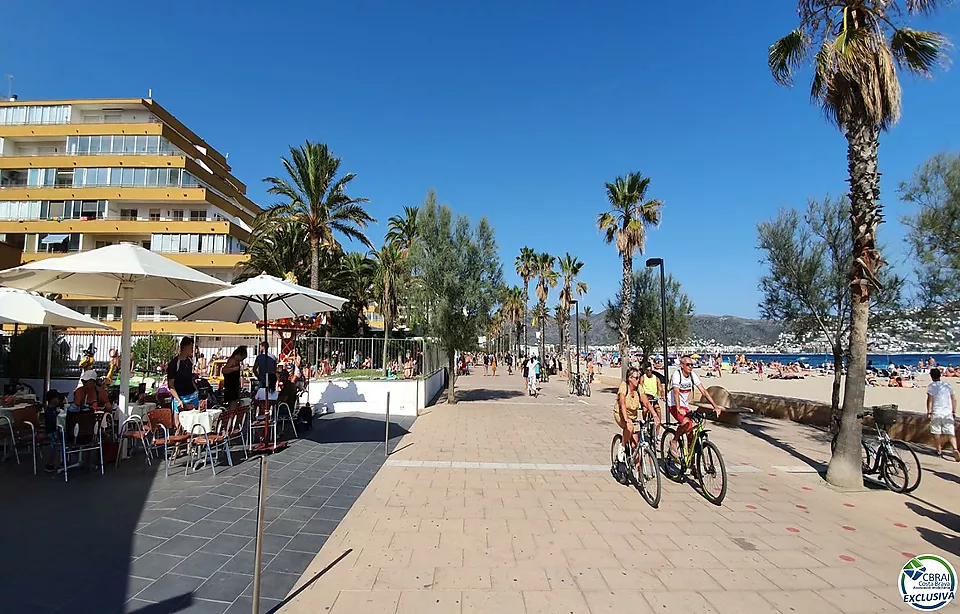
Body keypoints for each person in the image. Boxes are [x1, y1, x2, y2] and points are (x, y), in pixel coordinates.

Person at [668, 355, 722, 453]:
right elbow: (676, 392)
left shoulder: (692, 375)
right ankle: (674, 441)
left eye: (692, 365)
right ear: (681, 365)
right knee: (686, 422)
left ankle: (691, 464)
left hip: (685, 405)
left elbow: (704, 391)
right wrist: (679, 408)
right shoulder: (677, 375)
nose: (690, 367)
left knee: (690, 434)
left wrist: (715, 406)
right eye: (688, 365)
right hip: (674, 404)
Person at [614, 367, 656, 461]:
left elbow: (646, 402)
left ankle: (638, 472)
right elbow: (622, 404)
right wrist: (626, 419)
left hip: (633, 416)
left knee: (635, 444)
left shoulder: (639, 388)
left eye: (639, 377)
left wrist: (654, 414)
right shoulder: (624, 386)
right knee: (629, 427)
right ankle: (622, 446)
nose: (638, 380)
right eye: (636, 378)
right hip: (621, 414)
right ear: (630, 378)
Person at [927, 368, 960, 461]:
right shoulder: (947, 385)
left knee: (936, 432)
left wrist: (929, 412)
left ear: (931, 376)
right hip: (947, 413)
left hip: (937, 412)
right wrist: (953, 411)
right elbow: (954, 399)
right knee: (950, 433)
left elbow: (929, 400)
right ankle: (955, 449)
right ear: (940, 375)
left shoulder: (931, 386)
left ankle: (939, 451)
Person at [167, 336, 198, 429]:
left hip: (191, 395)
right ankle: (178, 441)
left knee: (193, 422)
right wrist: (178, 399)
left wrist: (196, 391)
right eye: (191, 347)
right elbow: (171, 385)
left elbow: (189, 378)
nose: (192, 350)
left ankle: (190, 441)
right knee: (179, 424)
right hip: (180, 397)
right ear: (185, 347)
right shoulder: (174, 363)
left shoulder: (189, 361)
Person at [43, 389, 65, 473]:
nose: (59, 400)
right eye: (57, 398)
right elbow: (53, 422)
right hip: (51, 431)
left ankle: (64, 459)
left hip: (56, 431)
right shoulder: (49, 411)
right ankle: (50, 463)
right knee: (56, 444)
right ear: (52, 399)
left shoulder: (55, 409)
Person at [220, 346, 247, 411]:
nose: (241, 360)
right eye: (242, 358)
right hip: (230, 385)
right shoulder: (232, 360)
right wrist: (233, 369)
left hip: (234, 385)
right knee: (232, 404)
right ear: (238, 355)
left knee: (235, 403)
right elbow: (224, 370)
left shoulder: (236, 362)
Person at [640, 364, 664, 434]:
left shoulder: (656, 378)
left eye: (650, 370)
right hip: (646, 397)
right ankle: (644, 422)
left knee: (658, 411)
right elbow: (640, 387)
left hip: (654, 398)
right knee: (645, 410)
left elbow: (660, 388)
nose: (649, 372)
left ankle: (657, 431)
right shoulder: (643, 377)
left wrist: (662, 395)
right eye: (648, 370)